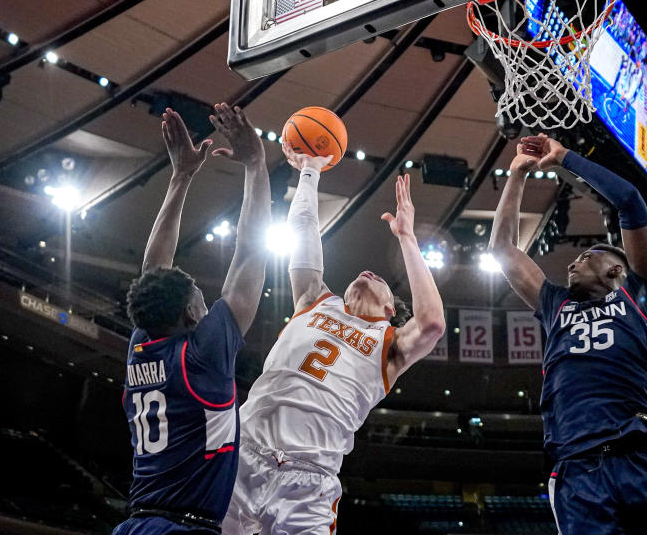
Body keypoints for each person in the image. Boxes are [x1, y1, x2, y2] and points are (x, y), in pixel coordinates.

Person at [222, 144, 446, 535]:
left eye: (380, 280)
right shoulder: (315, 300)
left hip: (308, 483)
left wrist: (407, 238)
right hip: (243, 455)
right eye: (366, 273)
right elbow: (303, 230)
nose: (369, 273)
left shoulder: (389, 345)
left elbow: (432, 324)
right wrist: (310, 172)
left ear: (392, 310)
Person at [489, 133, 647, 535]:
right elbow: (503, 251)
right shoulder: (556, 305)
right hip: (575, 465)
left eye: (586, 257)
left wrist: (564, 157)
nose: (573, 264)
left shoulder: (641, 295)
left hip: (642, 456)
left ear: (617, 270)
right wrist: (516, 175)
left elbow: (630, 201)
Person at [113, 104, 271, 535]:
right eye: (200, 298)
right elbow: (251, 257)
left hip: (138, 525)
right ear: (189, 312)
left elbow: (153, 272)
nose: (207, 304)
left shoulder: (145, 345)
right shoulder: (203, 356)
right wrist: (256, 165)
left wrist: (181, 176)